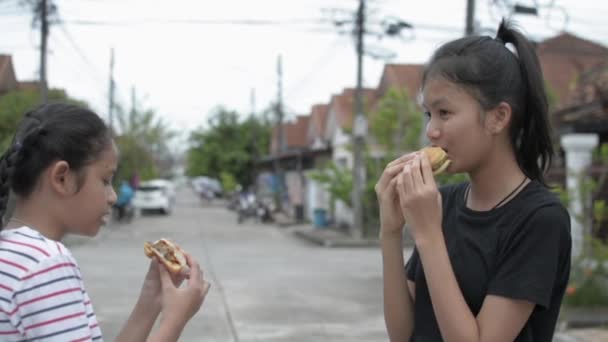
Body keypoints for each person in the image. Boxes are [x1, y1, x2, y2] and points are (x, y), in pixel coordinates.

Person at [377, 20, 571, 342]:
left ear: (498, 117)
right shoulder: (446, 202)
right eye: (429, 114)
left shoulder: (540, 219)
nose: (431, 131)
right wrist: (390, 231)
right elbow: (402, 333)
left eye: (445, 113)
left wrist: (427, 233)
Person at [0, 103, 210, 341]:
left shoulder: (14, 254)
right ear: (62, 178)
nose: (113, 197)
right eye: (105, 180)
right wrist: (174, 321)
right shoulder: (45, 263)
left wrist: (151, 300)